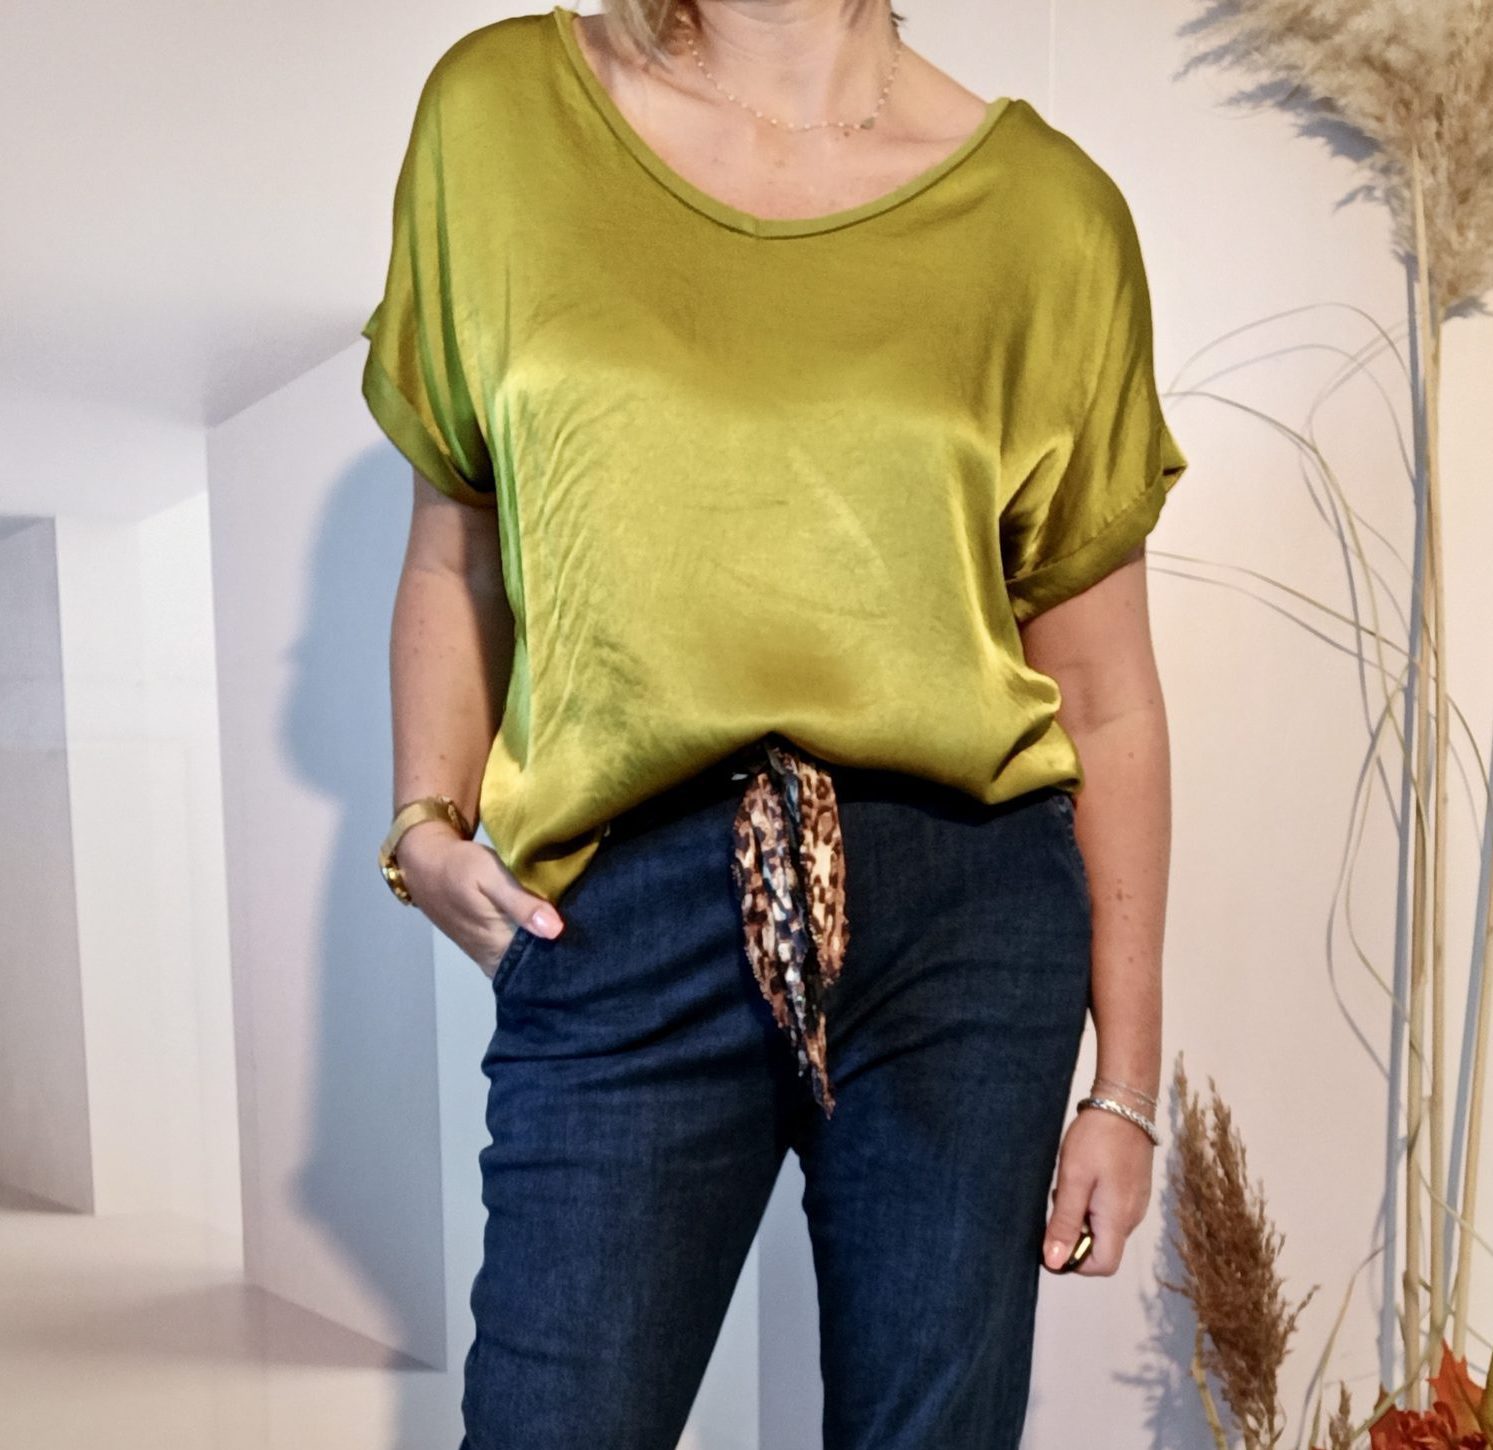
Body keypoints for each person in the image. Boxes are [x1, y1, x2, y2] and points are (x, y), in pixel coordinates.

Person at [360, 1, 1188, 1446]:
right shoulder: (500, 117)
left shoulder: (1048, 216)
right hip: (623, 905)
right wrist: (425, 823)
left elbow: (1105, 696)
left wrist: (1123, 1087)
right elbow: (458, 550)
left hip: (963, 917)